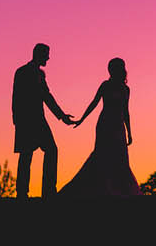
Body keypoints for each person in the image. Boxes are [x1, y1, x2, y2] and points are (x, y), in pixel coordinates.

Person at [59, 57, 141, 196]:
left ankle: (120, 191)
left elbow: (126, 111)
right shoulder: (105, 86)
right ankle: (101, 189)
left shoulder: (126, 89)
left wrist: (129, 132)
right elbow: (94, 103)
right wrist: (82, 119)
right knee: (102, 156)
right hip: (105, 125)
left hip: (119, 126)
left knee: (120, 159)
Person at [13, 43, 74, 199]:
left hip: (39, 119)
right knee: (26, 155)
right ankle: (23, 193)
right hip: (27, 120)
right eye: (46, 54)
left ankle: (47, 191)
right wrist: (17, 120)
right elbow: (16, 97)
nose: (48, 57)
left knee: (50, 150)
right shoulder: (22, 72)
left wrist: (61, 116)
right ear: (38, 54)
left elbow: (47, 96)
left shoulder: (40, 74)